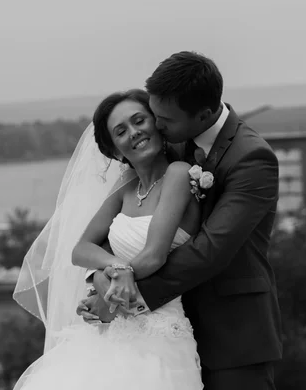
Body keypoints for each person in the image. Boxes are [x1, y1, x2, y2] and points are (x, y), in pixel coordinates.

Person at [79, 51, 283, 390]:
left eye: (164, 120)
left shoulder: (252, 158)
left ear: (203, 115)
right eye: (154, 115)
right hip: (163, 339)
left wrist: (122, 296)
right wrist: (106, 277)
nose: (155, 126)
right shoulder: (171, 143)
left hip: (232, 337)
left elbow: (210, 250)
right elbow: (115, 229)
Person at [12, 88, 204, 390]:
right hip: (110, 334)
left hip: (159, 335)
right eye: (121, 131)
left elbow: (155, 255)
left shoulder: (178, 174)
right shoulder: (126, 186)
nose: (134, 132)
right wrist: (113, 269)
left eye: (139, 120)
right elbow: (81, 249)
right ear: (115, 150)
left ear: (156, 123)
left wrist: (104, 295)